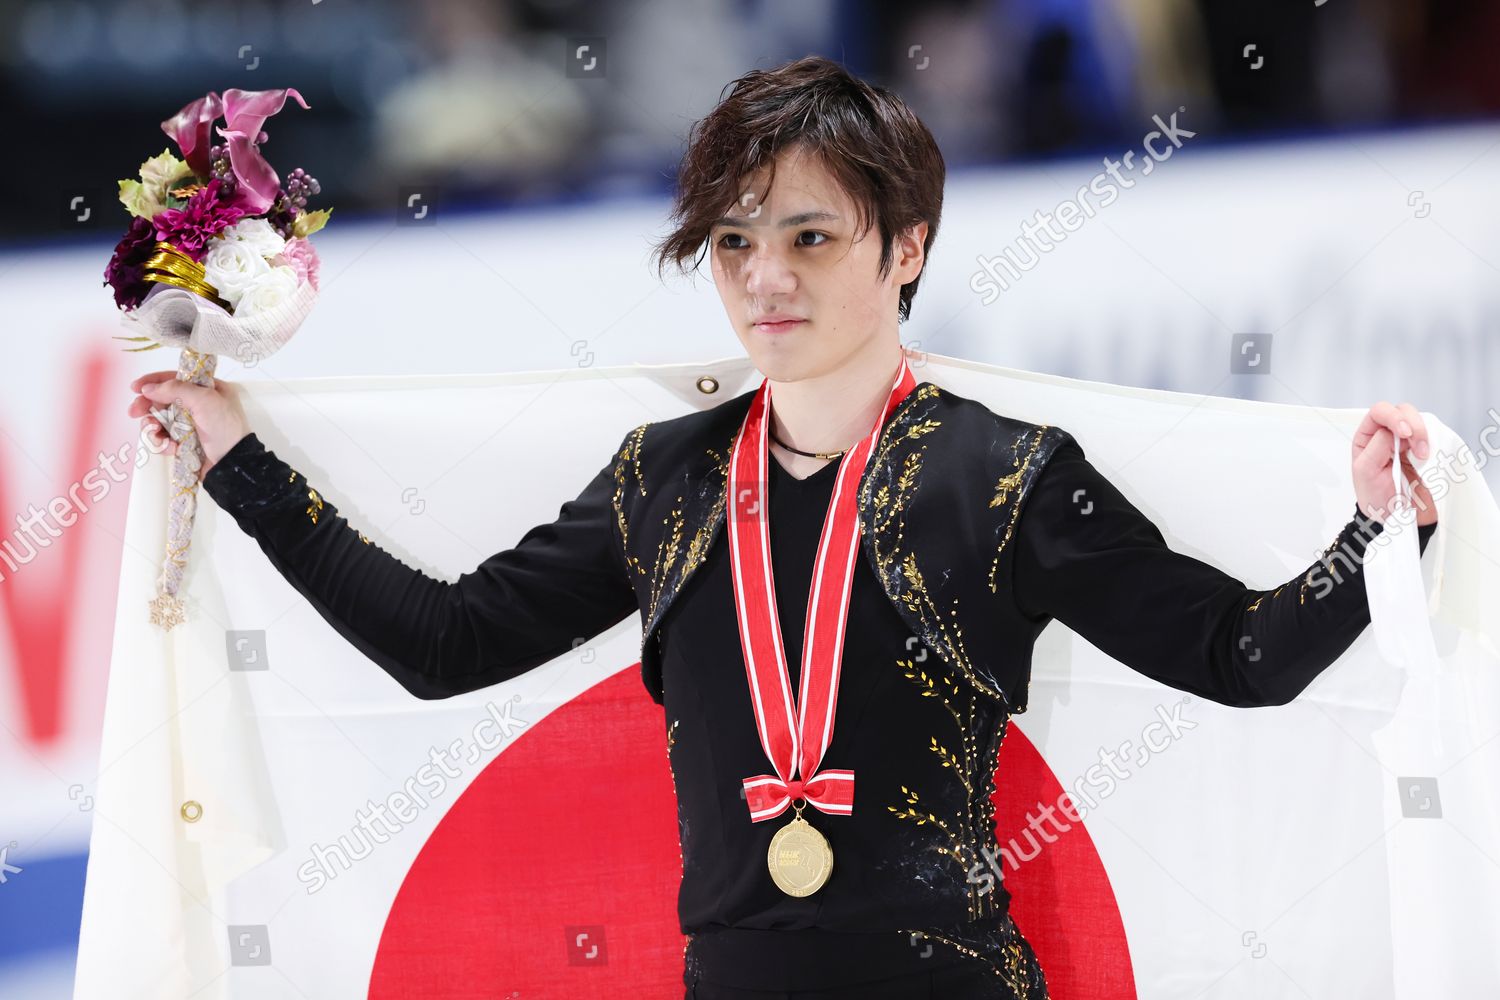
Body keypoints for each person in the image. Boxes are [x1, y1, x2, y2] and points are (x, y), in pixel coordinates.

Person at [125, 56, 1438, 1000]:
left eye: (811, 235)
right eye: (735, 239)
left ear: (905, 247)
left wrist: (1379, 534)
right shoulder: (667, 483)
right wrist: (240, 458)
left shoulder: (1003, 481)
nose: (766, 275)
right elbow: (446, 642)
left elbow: (1240, 658)